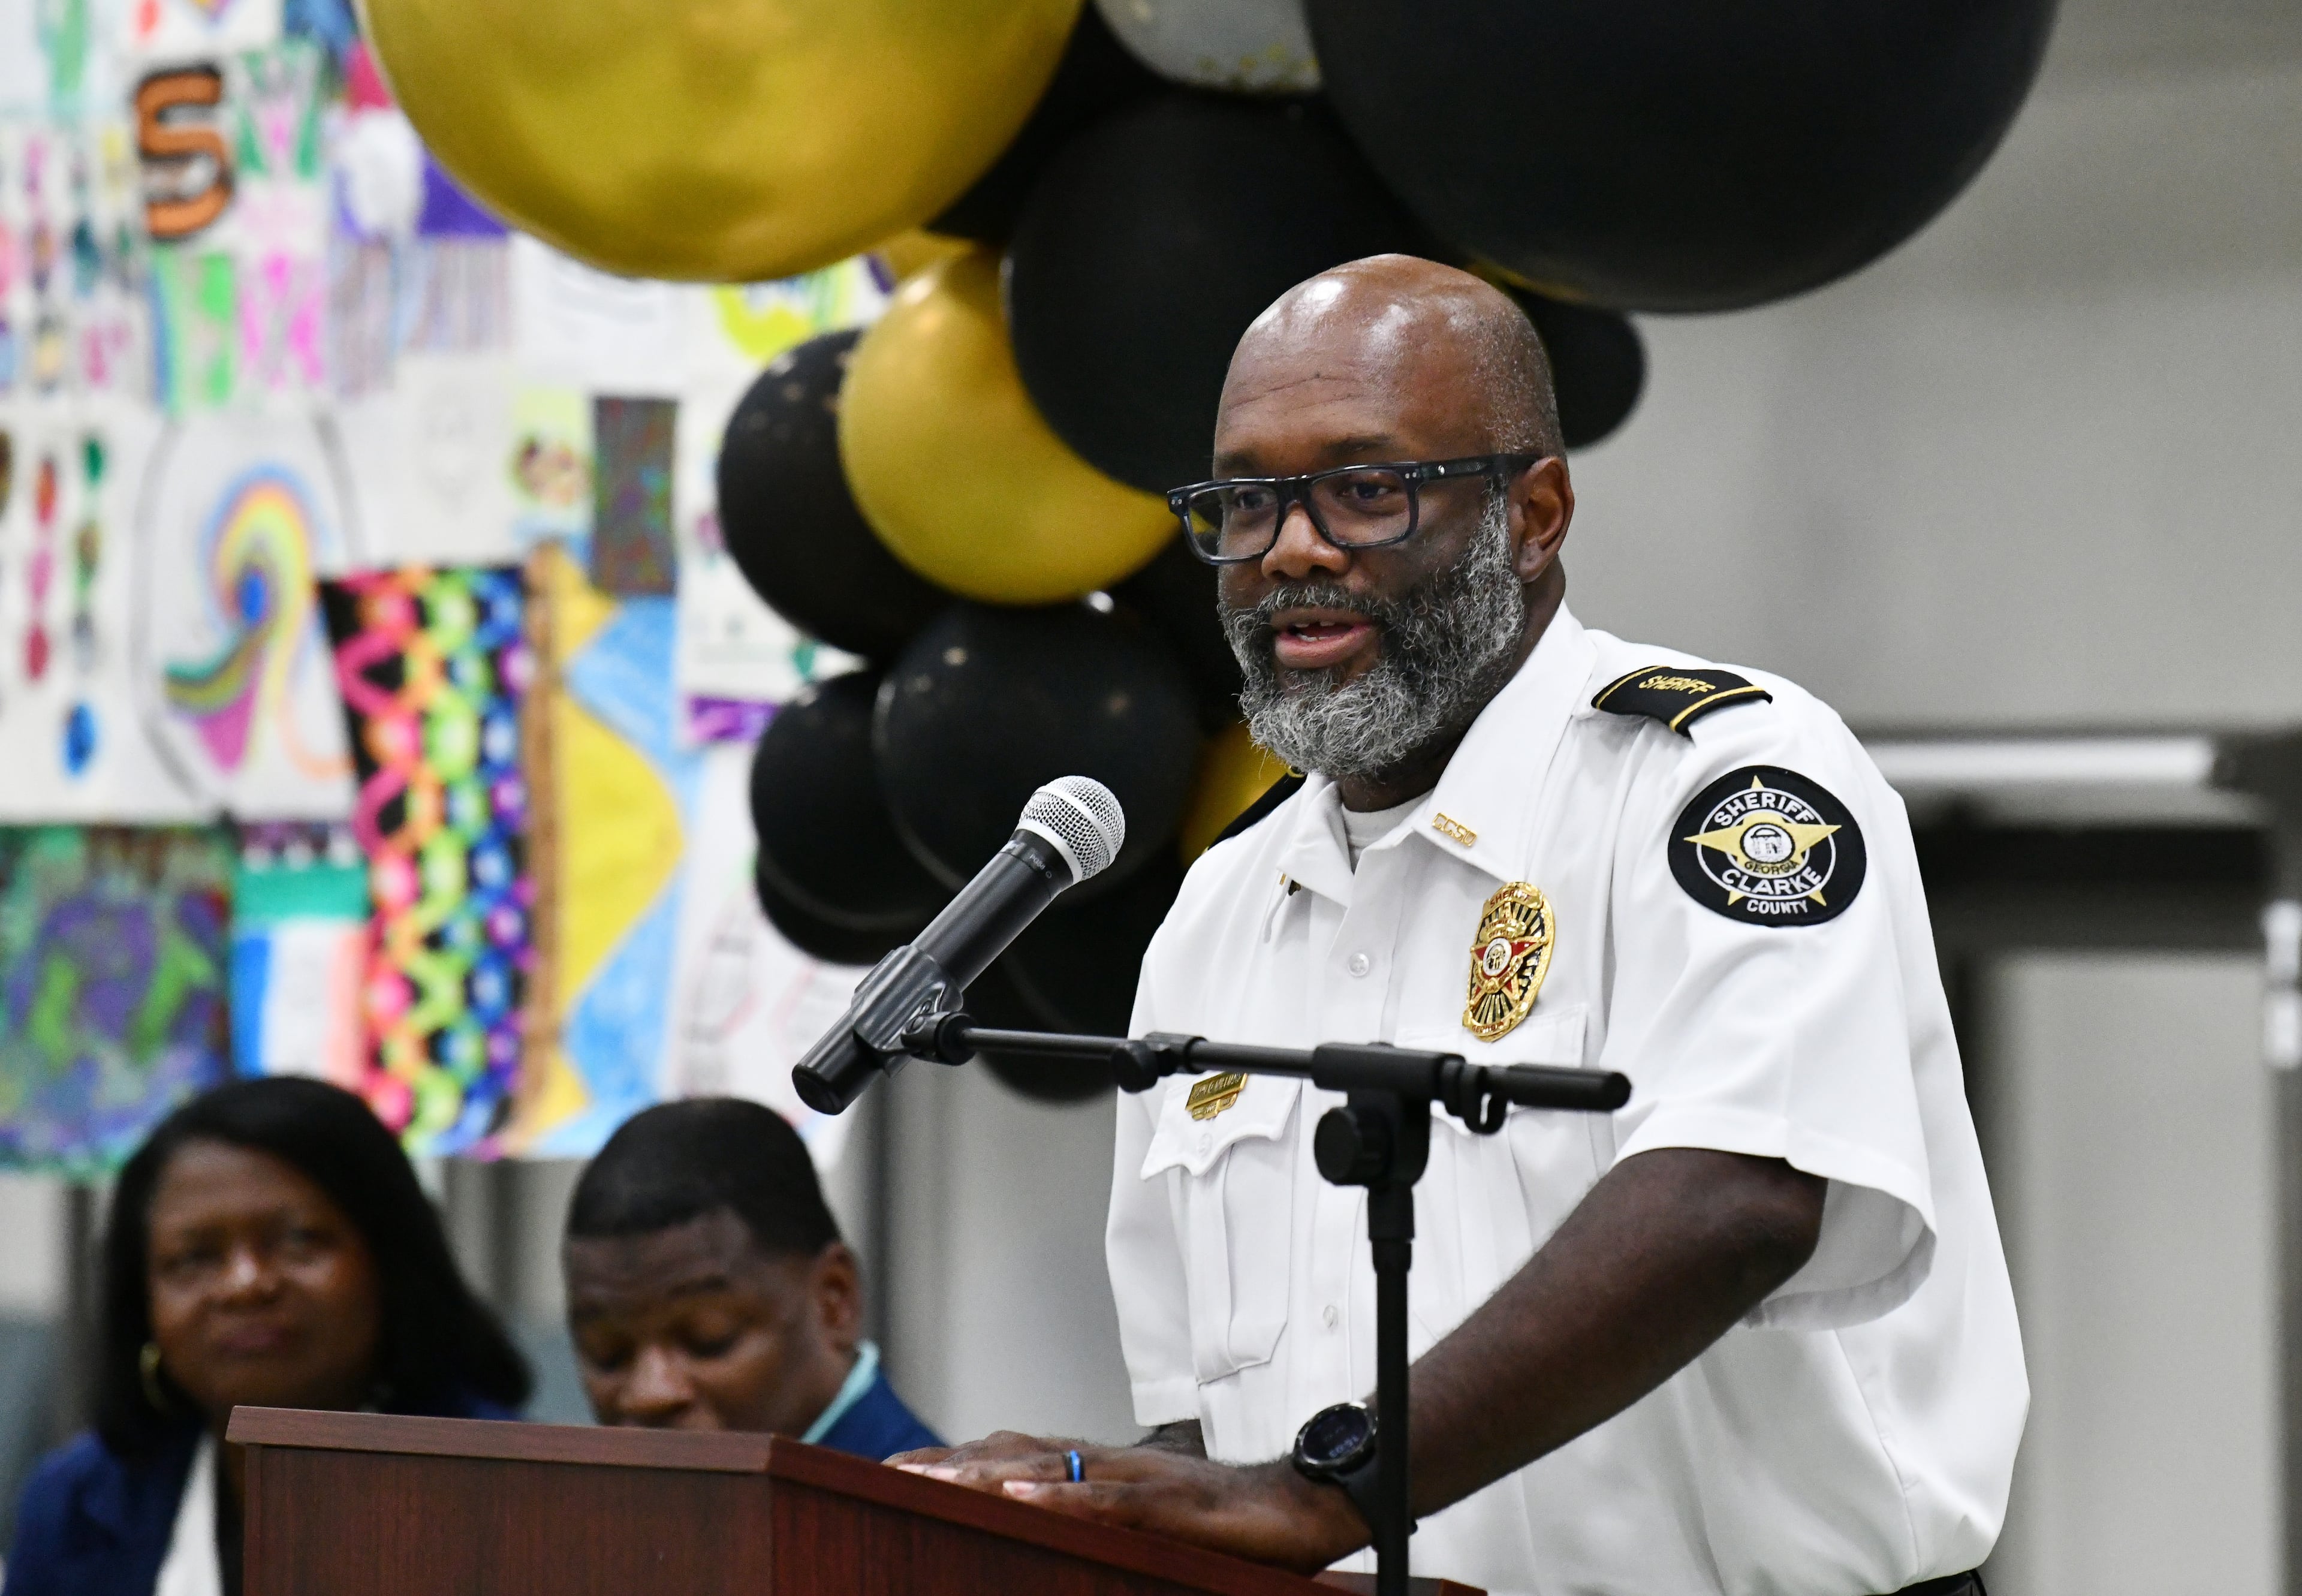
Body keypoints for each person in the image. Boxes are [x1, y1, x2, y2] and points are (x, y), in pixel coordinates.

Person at [893, 256, 2026, 1596]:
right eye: (1245, 502)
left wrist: (1331, 1491)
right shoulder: (1220, 909)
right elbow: (1220, 1434)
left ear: (1534, 512)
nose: (1293, 548)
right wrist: (1077, 1504)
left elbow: (1739, 1193)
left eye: (1365, 489)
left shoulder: (1718, 782)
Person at [3, 1077, 529, 1596]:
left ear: (392, 1263)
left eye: (299, 1239)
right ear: (142, 1302)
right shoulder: (77, 1505)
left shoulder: (517, 1494)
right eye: (197, 1257)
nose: (246, 1285)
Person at [561, 1098, 939, 1457]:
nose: (648, 1394)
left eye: (709, 1338)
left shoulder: (928, 1516)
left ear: (832, 1301)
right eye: (607, 1354)